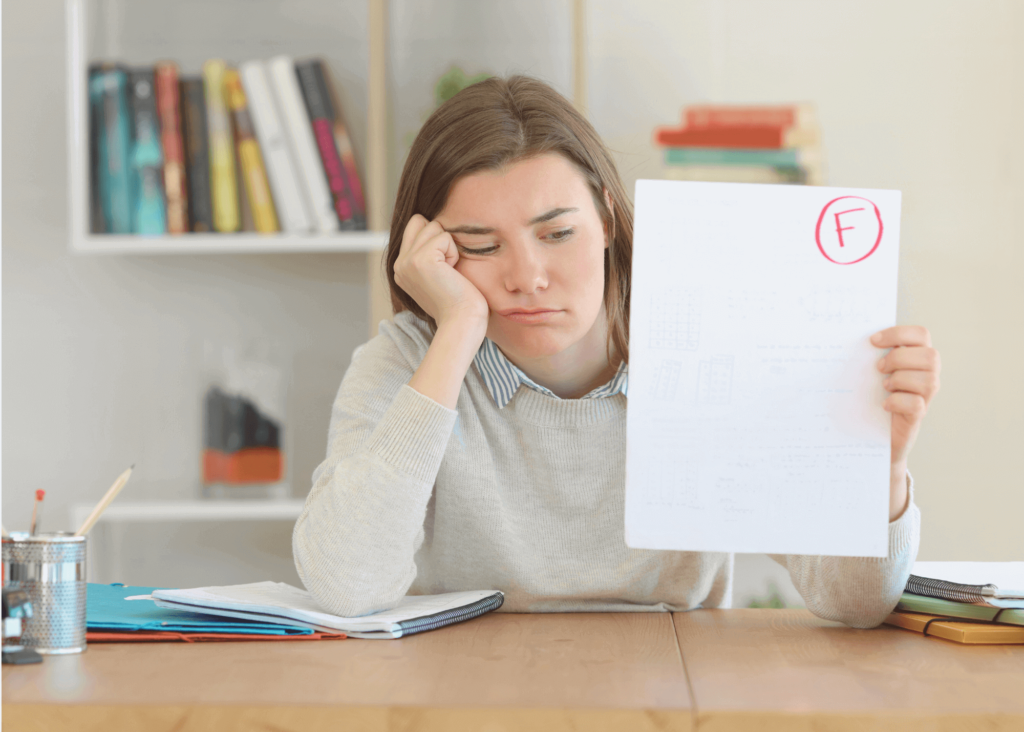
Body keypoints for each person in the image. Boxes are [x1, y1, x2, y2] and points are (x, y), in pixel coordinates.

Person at [293, 75, 940, 626]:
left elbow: (856, 604)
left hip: (674, 694)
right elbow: (348, 585)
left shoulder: (713, 343)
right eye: (481, 245)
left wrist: (879, 472)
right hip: (466, 695)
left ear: (606, 216)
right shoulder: (409, 365)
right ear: (432, 251)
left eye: (558, 232)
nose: (528, 277)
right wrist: (458, 329)